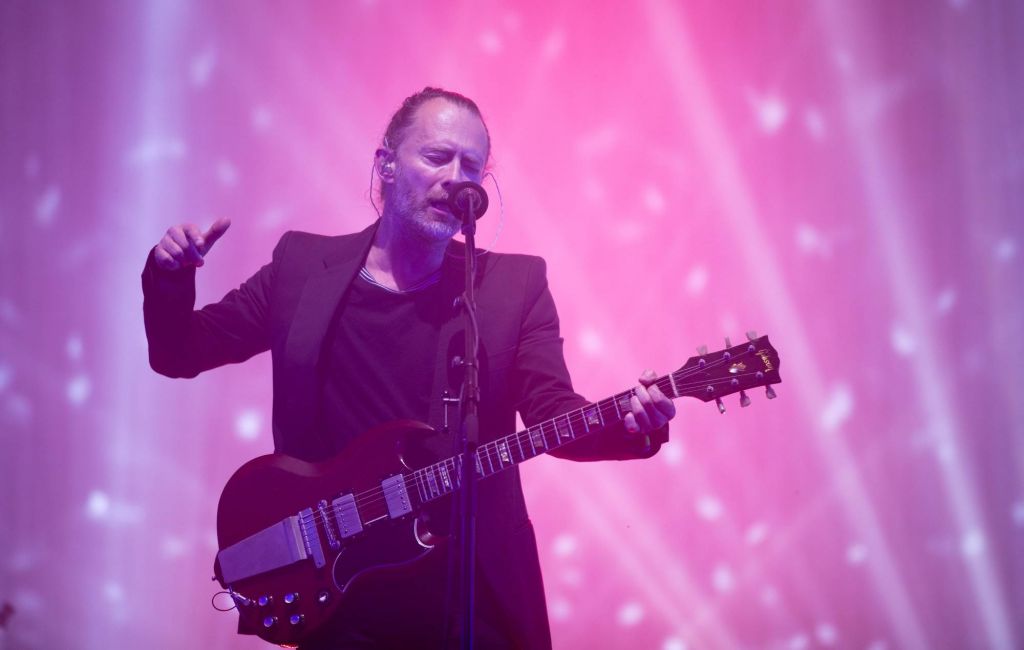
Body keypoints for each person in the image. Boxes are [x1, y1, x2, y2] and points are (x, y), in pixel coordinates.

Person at [143, 87, 675, 648]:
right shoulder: (301, 267)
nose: (456, 178)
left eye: (472, 166)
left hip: (469, 594)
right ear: (387, 163)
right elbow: (181, 353)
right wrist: (170, 275)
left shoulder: (511, 288)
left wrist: (635, 423)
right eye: (437, 156)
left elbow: (553, 412)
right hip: (342, 596)